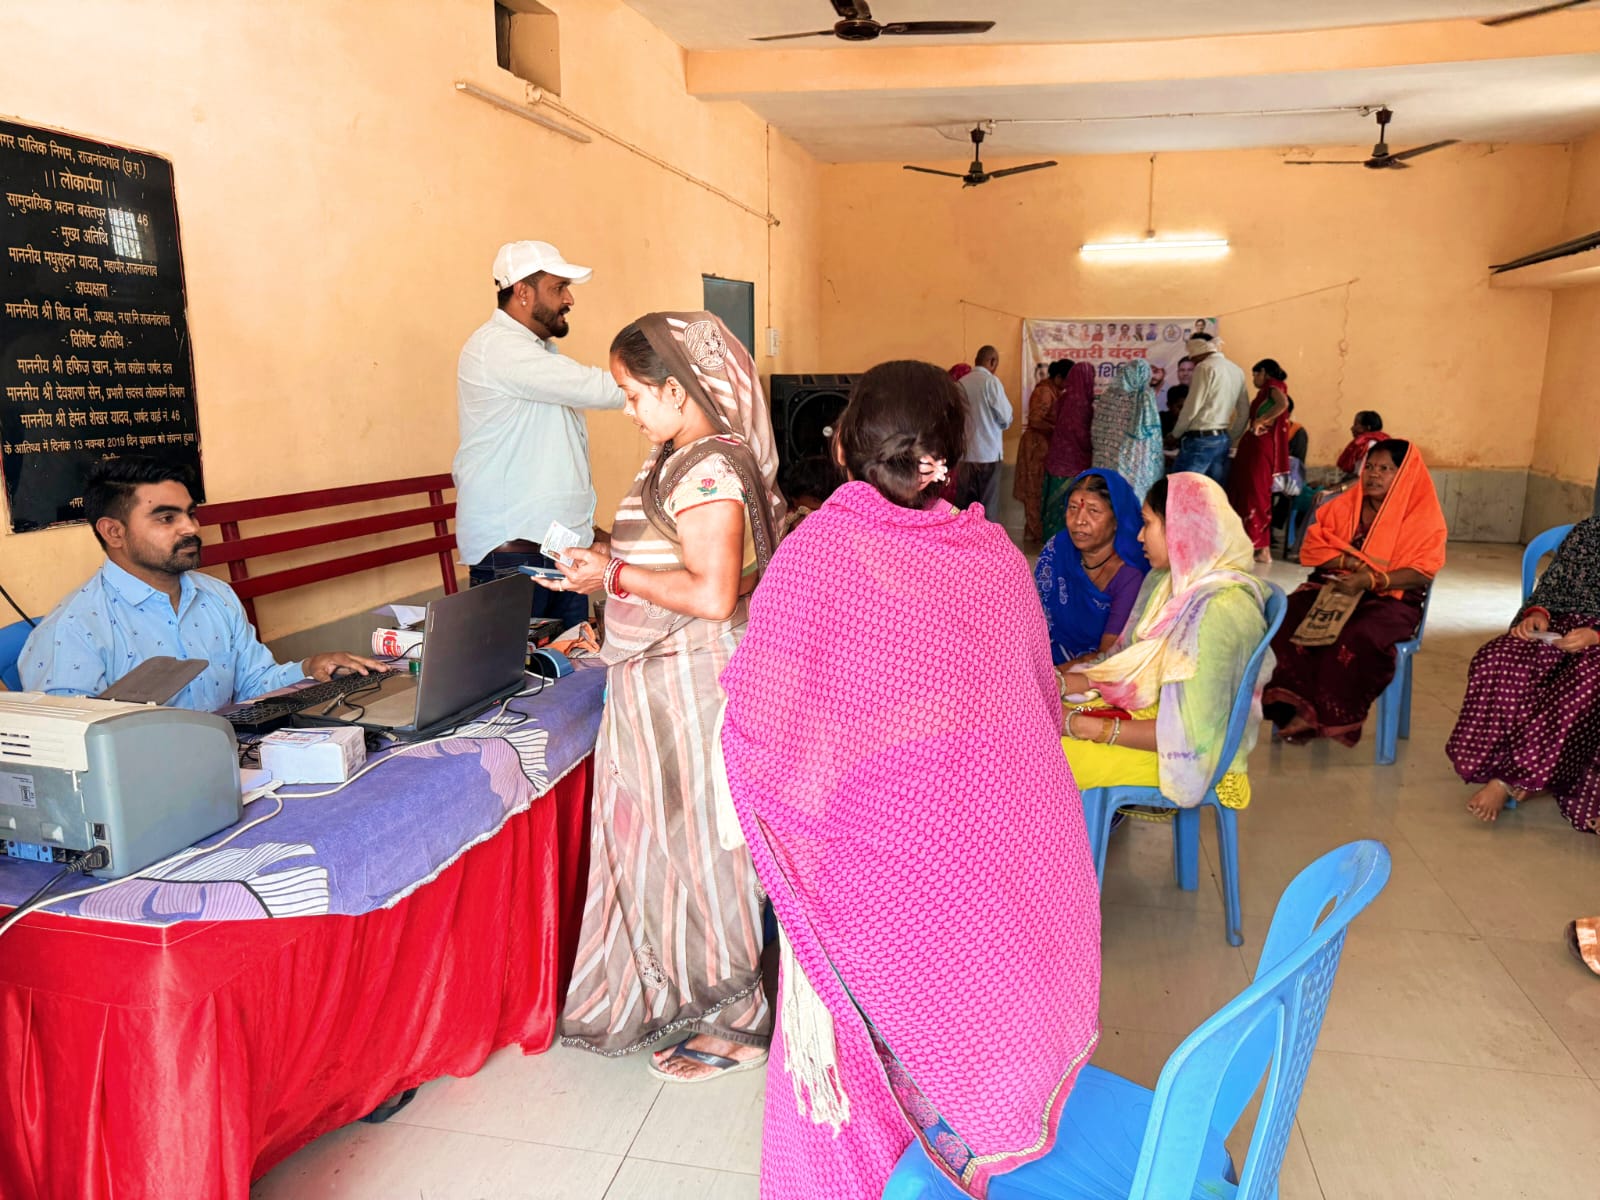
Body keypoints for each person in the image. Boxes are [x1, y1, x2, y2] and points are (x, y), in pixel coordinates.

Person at [718, 359, 1101, 1198]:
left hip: (878, 878)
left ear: (845, 445)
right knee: (949, 992)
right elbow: (1034, 701)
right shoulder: (993, 551)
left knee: (850, 1008)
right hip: (1001, 872)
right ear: (952, 460)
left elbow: (757, 720)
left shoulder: (815, 553)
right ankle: (961, 1139)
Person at [546, 312, 784, 1080]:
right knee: (661, 844)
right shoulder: (681, 457)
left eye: (632, 392)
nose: (627, 408)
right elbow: (675, 556)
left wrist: (609, 578)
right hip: (656, 683)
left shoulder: (709, 467)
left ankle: (740, 1021)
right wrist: (605, 560)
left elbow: (713, 593)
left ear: (678, 390)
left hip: (690, 688)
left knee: (700, 849)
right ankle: (685, 996)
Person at [20, 457, 382, 710]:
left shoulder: (216, 596)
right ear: (114, 531)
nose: (191, 528)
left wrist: (308, 668)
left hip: (237, 763)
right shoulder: (74, 629)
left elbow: (253, 685)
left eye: (190, 513)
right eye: (166, 518)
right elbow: (72, 757)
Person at [1056, 474, 1271, 810]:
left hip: (1186, 755)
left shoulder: (1220, 610)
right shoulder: (1169, 583)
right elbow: (1126, 660)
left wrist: (1083, 725)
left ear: (1181, 529)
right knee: (1027, 724)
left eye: (1147, 524)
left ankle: (1041, 857)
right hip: (1150, 718)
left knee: (1036, 755)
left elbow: (1189, 734)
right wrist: (1059, 682)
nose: (1140, 536)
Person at [452, 240, 625, 628]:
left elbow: (549, 457)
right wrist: (665, 389)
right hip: (514, 560)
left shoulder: (537, 353)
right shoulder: (498, 348)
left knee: (564, 670)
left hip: (553, 551)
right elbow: (597, 388)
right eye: (558, 288)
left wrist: (588, 531)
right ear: (523, 293)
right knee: (518, 681)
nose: (569, 299)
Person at [1263, 440, 1447, 745]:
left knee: (1355, 635)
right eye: (1370, 467)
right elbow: (1314, 547)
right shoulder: (1346, 505)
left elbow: (1421, 571)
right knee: (1286, 617)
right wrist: (1350, 563)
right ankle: (1290, 706)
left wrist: (1371, 581)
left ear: (1405, 474)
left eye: (1385, 469)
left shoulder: (1423, 517)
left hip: (1391, 597)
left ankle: (1324, 715)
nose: (1373, 475)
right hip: (1333, 585)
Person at [1449, 518, 1600, 826]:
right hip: (1564, 626)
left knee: (1580, 682)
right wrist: (1537, 616)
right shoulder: (1589, 532)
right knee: (1497, 658)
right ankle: (1507, 765)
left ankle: (1510, 780)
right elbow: (1550, 588)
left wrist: (1596, 636)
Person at [1035, 469, 1150, 668]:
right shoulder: (1058, 549)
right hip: (1044, 656)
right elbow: (1031, 618)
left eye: (1093, 511)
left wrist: (1052, 676)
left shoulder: (1130, 575)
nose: (1079, 520)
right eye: (1072, 508)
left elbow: (1107, 656)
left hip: (1095, 673)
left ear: (1117, 520)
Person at [1226, 358, 1293, 564]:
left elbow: (1283, 404)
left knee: (1255, 495)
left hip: (1259, 449)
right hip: (1253, 448)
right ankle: (1254, 546)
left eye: (1255, 374)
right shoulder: (1266, 392)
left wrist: (1261, 420)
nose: (1254, 379)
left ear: (1264, 372)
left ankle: (1258, 547)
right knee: (1247, 492)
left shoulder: (1273, 387)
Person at [1168, 332, 1249, 485]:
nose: (1191, 358)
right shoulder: (1236, 370)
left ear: (1199, 350)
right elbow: (1244, 412)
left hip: (1200, 440)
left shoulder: (1204, 367)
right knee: (1213, 493)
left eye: (1191, 353)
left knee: (1181, 489)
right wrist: (1231, 437)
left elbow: (1191, 407)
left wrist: (1175, 434)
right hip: (1222, 439)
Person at [953, 344, 1013, 516]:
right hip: (988, 455)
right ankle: (986, 542)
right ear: (992, 361)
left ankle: (965, 541)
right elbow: (1005, 417)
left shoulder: (960, 384)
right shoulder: (991, 382)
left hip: (966, 456)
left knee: (965, 506)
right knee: (988, 505)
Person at [1040, 361, 1097, 541]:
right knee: (1069, 507)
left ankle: (1050, 544)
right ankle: (1064, 546)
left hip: (1056, 460)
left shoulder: (1063, 398)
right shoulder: (1083, 406)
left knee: (1053, 507)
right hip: (1075, 465)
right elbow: (1081, 436)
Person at [1014, 359, 1066, 542]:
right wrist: (1057, 429)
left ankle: (1033, 532)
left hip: (1043, 446)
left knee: (1038, 490)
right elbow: (1036, 420)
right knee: (1034, 490)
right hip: (1035, 447)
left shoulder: (1054, 391)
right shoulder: (1045, 392)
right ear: (1058, 377)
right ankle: (1035, 534)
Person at [1113, 359, 1164, 501]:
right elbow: (1151, 432)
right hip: (1140, 459)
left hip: (1113, 459)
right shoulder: (1145, 395)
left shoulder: (1111, 396)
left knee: (1117, 497)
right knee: (1137, 498)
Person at [1337, 411, 1389, 480]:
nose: (1352, 428)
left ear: (1367, 428)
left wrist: (1340, 488)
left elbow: (1360, 478)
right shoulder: (1362, 444)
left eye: (1356, 424)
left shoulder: (1370, 445)